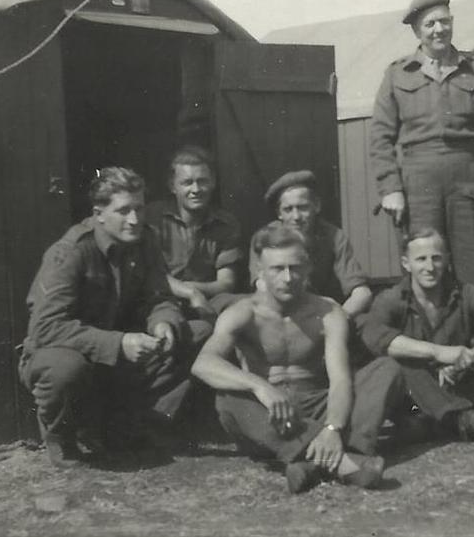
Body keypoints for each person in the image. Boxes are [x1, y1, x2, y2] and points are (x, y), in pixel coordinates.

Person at [191, 225, 401, 494]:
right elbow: (203, 364)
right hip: (269, 416)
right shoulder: (243, 312)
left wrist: (332, 427)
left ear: (308, 267)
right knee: (227, 398)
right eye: (277, 269)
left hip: (318, 404)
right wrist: (261, 387)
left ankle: (316, 459)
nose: (288, 278)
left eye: (295, 267)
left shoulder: (328, 312)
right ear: (261, 272)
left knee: (387, 368)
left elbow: (339, 380)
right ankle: (344, 463)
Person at [18, 167, 196, 467]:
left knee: (196, 332)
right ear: (99, 214)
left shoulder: (146, 240)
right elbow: (45, 327)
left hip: (115, 354)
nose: (134, 219)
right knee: (65, 368)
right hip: (67, 352)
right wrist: (119, 343)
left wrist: (163, 322)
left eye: (139, 208)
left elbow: (159, 296)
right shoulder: (71, 252)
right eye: (123, 210)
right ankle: (61, 436)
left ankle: (124, 425)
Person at [370, 0, 474, 286]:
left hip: (468, 180)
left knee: (471, 269)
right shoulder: (397, 74)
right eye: (430, 24)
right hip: (418, 185)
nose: (439, 30)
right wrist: (391, 189)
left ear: (452, 22)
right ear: (417, 31)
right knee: (424, 264)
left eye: (444, 21)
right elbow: (380, 137)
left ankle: (471, 318)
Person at [362, 227, 474, 444]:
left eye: (436, 258)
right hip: (414, 390)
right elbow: (374, 336)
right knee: (395, 361)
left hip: (457, 382)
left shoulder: (466, 293)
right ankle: (463, 420)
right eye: (421, 259)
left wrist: (472, 355)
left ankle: (429, 423)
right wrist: (439, 353)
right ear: (406, 264)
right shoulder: (391, 299)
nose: (430, 267)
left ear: (447, 259)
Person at [248, 170, 372, 321]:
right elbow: (262, 287)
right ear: (279, 213)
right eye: (288, 209)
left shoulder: (334, 237)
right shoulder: (265, 239)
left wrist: (338, 320)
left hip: (326, 314)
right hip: (282, 318)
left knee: (369, 325)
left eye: (303, 207)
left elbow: (362, 292)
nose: (296, 217)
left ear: (316, 206)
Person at [145, 145, 244, 322]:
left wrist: (191, 290)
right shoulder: (152, 218)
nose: (196, 189)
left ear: (213, 182)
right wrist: (189, 292)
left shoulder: (226, 225)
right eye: (187, 182)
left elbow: (226, 283)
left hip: (208, 300)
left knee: (245, 307)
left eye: (202, 181)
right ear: (172, 186)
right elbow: (149, 275)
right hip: (161, 300)